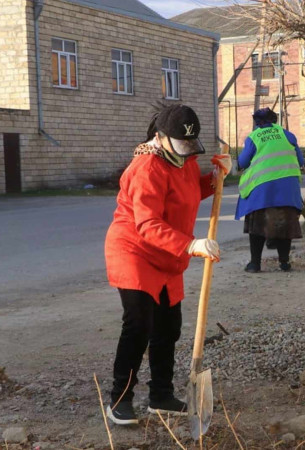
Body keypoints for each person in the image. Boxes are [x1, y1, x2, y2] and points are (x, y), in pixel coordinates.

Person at [103, 104, 231, 425]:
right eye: (180, 146)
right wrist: (191, 244)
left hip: (166, 253)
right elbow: (147, 224)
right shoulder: (146, 168)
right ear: (161, 138)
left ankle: (160, 395)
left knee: (168, 326)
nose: (187, 154)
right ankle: (120, 399)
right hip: (135, 249)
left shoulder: (183, 159)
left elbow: (185, 193)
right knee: (139, 324)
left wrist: (214, 179)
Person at [236, 108, 304, 273]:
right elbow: (300, 160)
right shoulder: (287, 135)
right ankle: (284, 263)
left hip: (262, 189)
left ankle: (255, 264)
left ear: (257, 122)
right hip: (288, 188)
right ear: (274, 120)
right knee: (285, 224)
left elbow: (243, 162)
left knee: (257, 226)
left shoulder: (254, 137)